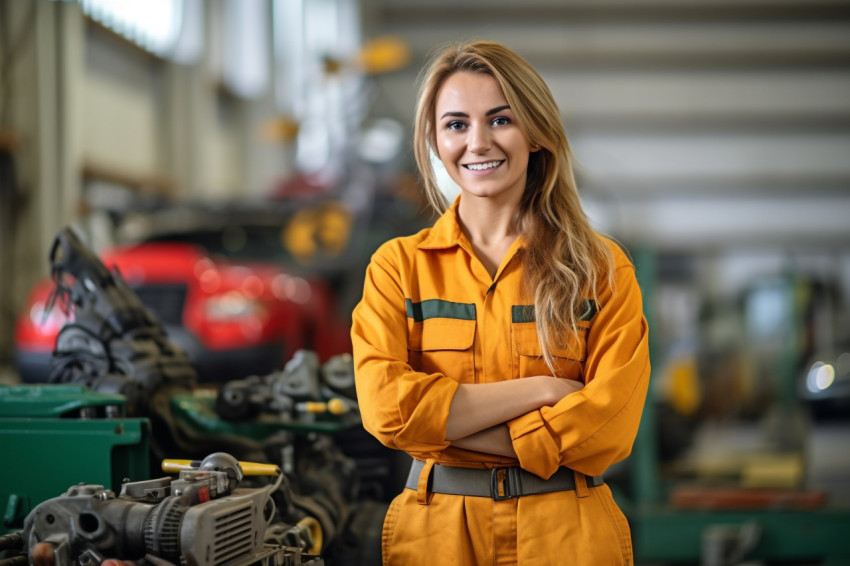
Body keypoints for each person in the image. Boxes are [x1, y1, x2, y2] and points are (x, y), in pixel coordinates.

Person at [350, 40, 650, 566]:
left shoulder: (601, 270)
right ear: (435, 140)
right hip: (436, 537)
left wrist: (446, 429)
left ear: (535, 132)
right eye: (456, 124)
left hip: (567, 534)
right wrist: (542, 390)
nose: (478, 142)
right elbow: (388, 411)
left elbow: (610, 429)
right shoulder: (399, 268)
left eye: (500, 119)